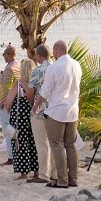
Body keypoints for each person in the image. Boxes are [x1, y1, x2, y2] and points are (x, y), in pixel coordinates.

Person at [35, 40, 82, 189]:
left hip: (56, 111)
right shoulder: (76, 65)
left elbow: (45, 91)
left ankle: (62, 180)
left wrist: (36, 106)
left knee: (57, 145)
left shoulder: (54, 67)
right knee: (70, 145)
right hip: (73, 110)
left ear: (55, 52)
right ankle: (73, 178)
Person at [6, 57, 39, 180]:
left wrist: (8, 108)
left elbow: (8, 102)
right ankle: (37, 171)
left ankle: (24, 172)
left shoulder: (19, 83)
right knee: (34, 142)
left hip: (19, 116)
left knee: (19, 142)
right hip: (33, 114)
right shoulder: (36, 82)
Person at [26, 44, 53, 183]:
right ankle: (54, 172)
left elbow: (30, 93)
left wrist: (32, 106)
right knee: (55, 144)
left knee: (42, 144)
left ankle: (43, 175)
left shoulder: (37, 71)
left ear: (39, 56)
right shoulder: (55, 68)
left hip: (40, 111)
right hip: (55, 111)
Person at [0, 44, 19, 165]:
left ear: (8, 55)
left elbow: (6, 88)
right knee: (13, 130)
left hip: (7, 104)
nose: (3, 57)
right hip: (16, 103)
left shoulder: (9, 69)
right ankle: (15, 155)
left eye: (4, 54)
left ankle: (11, 157)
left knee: (8, 130)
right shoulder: (18, 66)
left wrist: (3, 103)